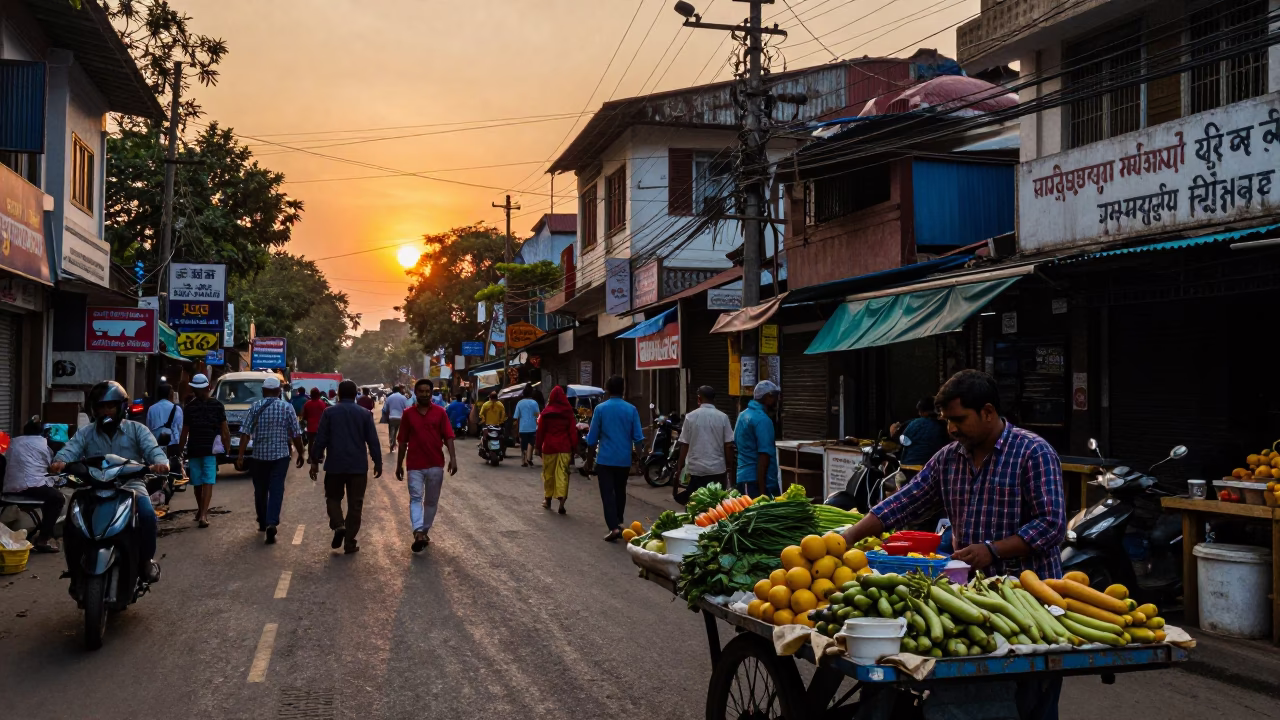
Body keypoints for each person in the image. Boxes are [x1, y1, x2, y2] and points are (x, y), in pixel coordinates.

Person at [840, 370, 1067, 719]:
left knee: (1033, 701)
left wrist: (992, 549)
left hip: (1030, 602)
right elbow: (905, 501)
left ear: (988, 412)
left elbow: (1051, 524)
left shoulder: (1033, 452)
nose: (951, 429)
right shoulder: (949, 458)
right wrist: (848, 536)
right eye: (947, 421)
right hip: (972, 603)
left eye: (959, 419)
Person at [51, 381, 168, 583]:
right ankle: (74, 566)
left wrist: (160, 464)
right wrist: (60, 462)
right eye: (101, 407)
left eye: (110, 406)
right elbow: (69, 450)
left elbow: (153, 450)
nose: (106, 411)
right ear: (94, 409)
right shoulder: (86, 432)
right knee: (72, 519)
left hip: (130, 485)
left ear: (121, 407)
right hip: (93, 487)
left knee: (148, 514)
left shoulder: (137, 430)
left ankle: (146, 560)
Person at [310, 380, 382, 554]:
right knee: (355, 504)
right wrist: (377, 461)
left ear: (339, 394)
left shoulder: (329, 412)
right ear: (355, 395)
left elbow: (321, 439)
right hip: (357, 467)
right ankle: (349, 542)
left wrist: (314, 461)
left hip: (335, 465)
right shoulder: (365, 414)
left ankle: (338, 524)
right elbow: (372, 441)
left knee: (333, 498)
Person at [235, 376, 306, 544]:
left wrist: (240, 455)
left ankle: (262, 521)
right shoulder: (287, 408)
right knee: (276, 489)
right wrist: (302, 453)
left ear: (263, 391)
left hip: (259, 456)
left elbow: (245, 433)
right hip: (280, 456)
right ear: (279, 391)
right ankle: (272, 522)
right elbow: (295, 434)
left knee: (260, 490)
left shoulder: (255, 407)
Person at [395, 378, 458, 552]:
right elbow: (402, 442)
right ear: (415, 393)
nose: (424, 394)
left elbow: (448, 436)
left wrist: (453, 458)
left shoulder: (440, 412)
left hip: (436, 464)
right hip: (414, 464)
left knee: (431, 501)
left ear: (431, 393)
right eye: (421, 391)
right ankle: (418, 532)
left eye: (427, 391)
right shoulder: (408, 414)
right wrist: (399, 464)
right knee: (415, 498)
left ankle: (424, 530)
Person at [585, 375, 644, 542]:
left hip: (604, 460)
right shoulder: (631, 409)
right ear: (623, 390)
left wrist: (589, 462)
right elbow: (638, 438)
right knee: (620, 491)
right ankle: (618, 521)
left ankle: (613, 528)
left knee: (607, 494)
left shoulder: (601, 409)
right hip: (623, 460)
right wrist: (640, 459)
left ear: (608, 390)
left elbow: (592, 440)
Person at [177, 374, 230, 528]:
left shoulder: (189, 407)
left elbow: (184, 432)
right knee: (207, 482)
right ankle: (203, 514)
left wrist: (180, 450)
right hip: (210, 450)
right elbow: (225, 430)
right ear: (208, 388)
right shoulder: (218, 405)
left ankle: (201, 511)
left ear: (194, 389)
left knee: (198, 482)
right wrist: (227, 448)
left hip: (194, 449)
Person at [3, 419, 63, 552]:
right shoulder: (45, 443)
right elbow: (53, 466)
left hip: (9, 487)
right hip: (31, 486)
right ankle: (43, 539)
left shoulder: (12, 442)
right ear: (42, 433)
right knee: (57, 498)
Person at [673, 386, 735, 505]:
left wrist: (679, 467)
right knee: (716, 506)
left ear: (699, 398)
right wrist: (729, 466)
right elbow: (728, 445)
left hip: (697, 471)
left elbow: (685, 444)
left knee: (695, 506)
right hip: (717, 470)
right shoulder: (723, 417)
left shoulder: (690, 417)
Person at [734, 381, 781, 498]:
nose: (777, 401)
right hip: (756, 482)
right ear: (768, 396)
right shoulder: (763, 420)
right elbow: (764, 456)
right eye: (775, 397)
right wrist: (762, 490)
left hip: (743, 478)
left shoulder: (742, 415)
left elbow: (735, 444)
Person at [536, 386, 576, 514]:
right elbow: (572, 432)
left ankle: (547, 500)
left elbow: (540, 432)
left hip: (549, 447)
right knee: (562, 474)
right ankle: (562, 501)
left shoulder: (546, 413)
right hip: (564, 447)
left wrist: (537, 446)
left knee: (549, 474)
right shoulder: (568, 412)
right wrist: (574, 447)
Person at [894, 397, 951, 466]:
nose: (919, 413)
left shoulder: (914, 423)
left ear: (923, 412)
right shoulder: (944, 426)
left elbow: (902, 442)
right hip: (934, 466)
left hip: (910, 465)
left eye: (920, 411)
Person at [145, 383, 183, 460]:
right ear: (170, 394)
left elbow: (148, 428)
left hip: (155, 446)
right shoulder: (177, 409)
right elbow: (179, 429)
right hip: (172, 446)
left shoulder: (151, 409)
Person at [513, 385, 541, 467]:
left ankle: (524, 461)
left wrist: (516, 428)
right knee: (531, 442)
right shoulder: (534, 403)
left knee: (523, 444)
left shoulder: (520, 403)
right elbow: (537, 415)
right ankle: (529, 458)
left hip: (523, 427)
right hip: (532, 426)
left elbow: (516, 416)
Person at [302, 388, 328, 462]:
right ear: (318, 394)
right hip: (320, 427)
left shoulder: (307, 403)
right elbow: (325, 415)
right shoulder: (322, 403)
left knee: (310, 442)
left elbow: (305, 416)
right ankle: (319, 457)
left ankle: (310, 457)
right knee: (320, 442)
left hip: (310, 426)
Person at [383, 385, 412, 453]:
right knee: (402, 432)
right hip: (401, 418)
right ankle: (403, 445)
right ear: (399, 390)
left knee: (392, 432)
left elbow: (385, 409)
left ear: (393, 391)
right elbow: (407, 407)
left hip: (392, 418)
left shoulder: (389, 397)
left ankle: (392, 445)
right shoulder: (404, 398)